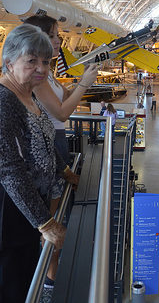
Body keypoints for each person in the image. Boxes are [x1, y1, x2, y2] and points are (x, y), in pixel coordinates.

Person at [0, 24, 66, 303]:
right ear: (9, 63)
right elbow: (9, 168)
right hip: (10, 209)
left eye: (46, 61)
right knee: (12, 281)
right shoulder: (4, 101)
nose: (41, 68)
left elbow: (42, 139)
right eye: (32, 60)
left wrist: (63, 169)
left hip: (30, 204)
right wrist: (45, 223)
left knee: (28, 270)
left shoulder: (30, 92)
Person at [24, 15, 98, 165]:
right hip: (50, 141)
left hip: (58, 136)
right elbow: (62, 114)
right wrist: (84, 84)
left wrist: (84, 79)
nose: (58, 40)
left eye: (57, 35)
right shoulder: (36, 76)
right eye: (51, 36)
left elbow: (67, 96)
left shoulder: (47, 73)